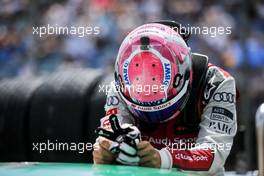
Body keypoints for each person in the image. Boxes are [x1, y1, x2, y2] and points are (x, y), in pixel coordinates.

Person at [93, 21, 237, 175]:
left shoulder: (217, 83)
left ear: (183, 75)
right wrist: (107, 147)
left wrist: (163, 159)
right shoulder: (121, 87)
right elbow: (112, 132)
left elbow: (215, 153)